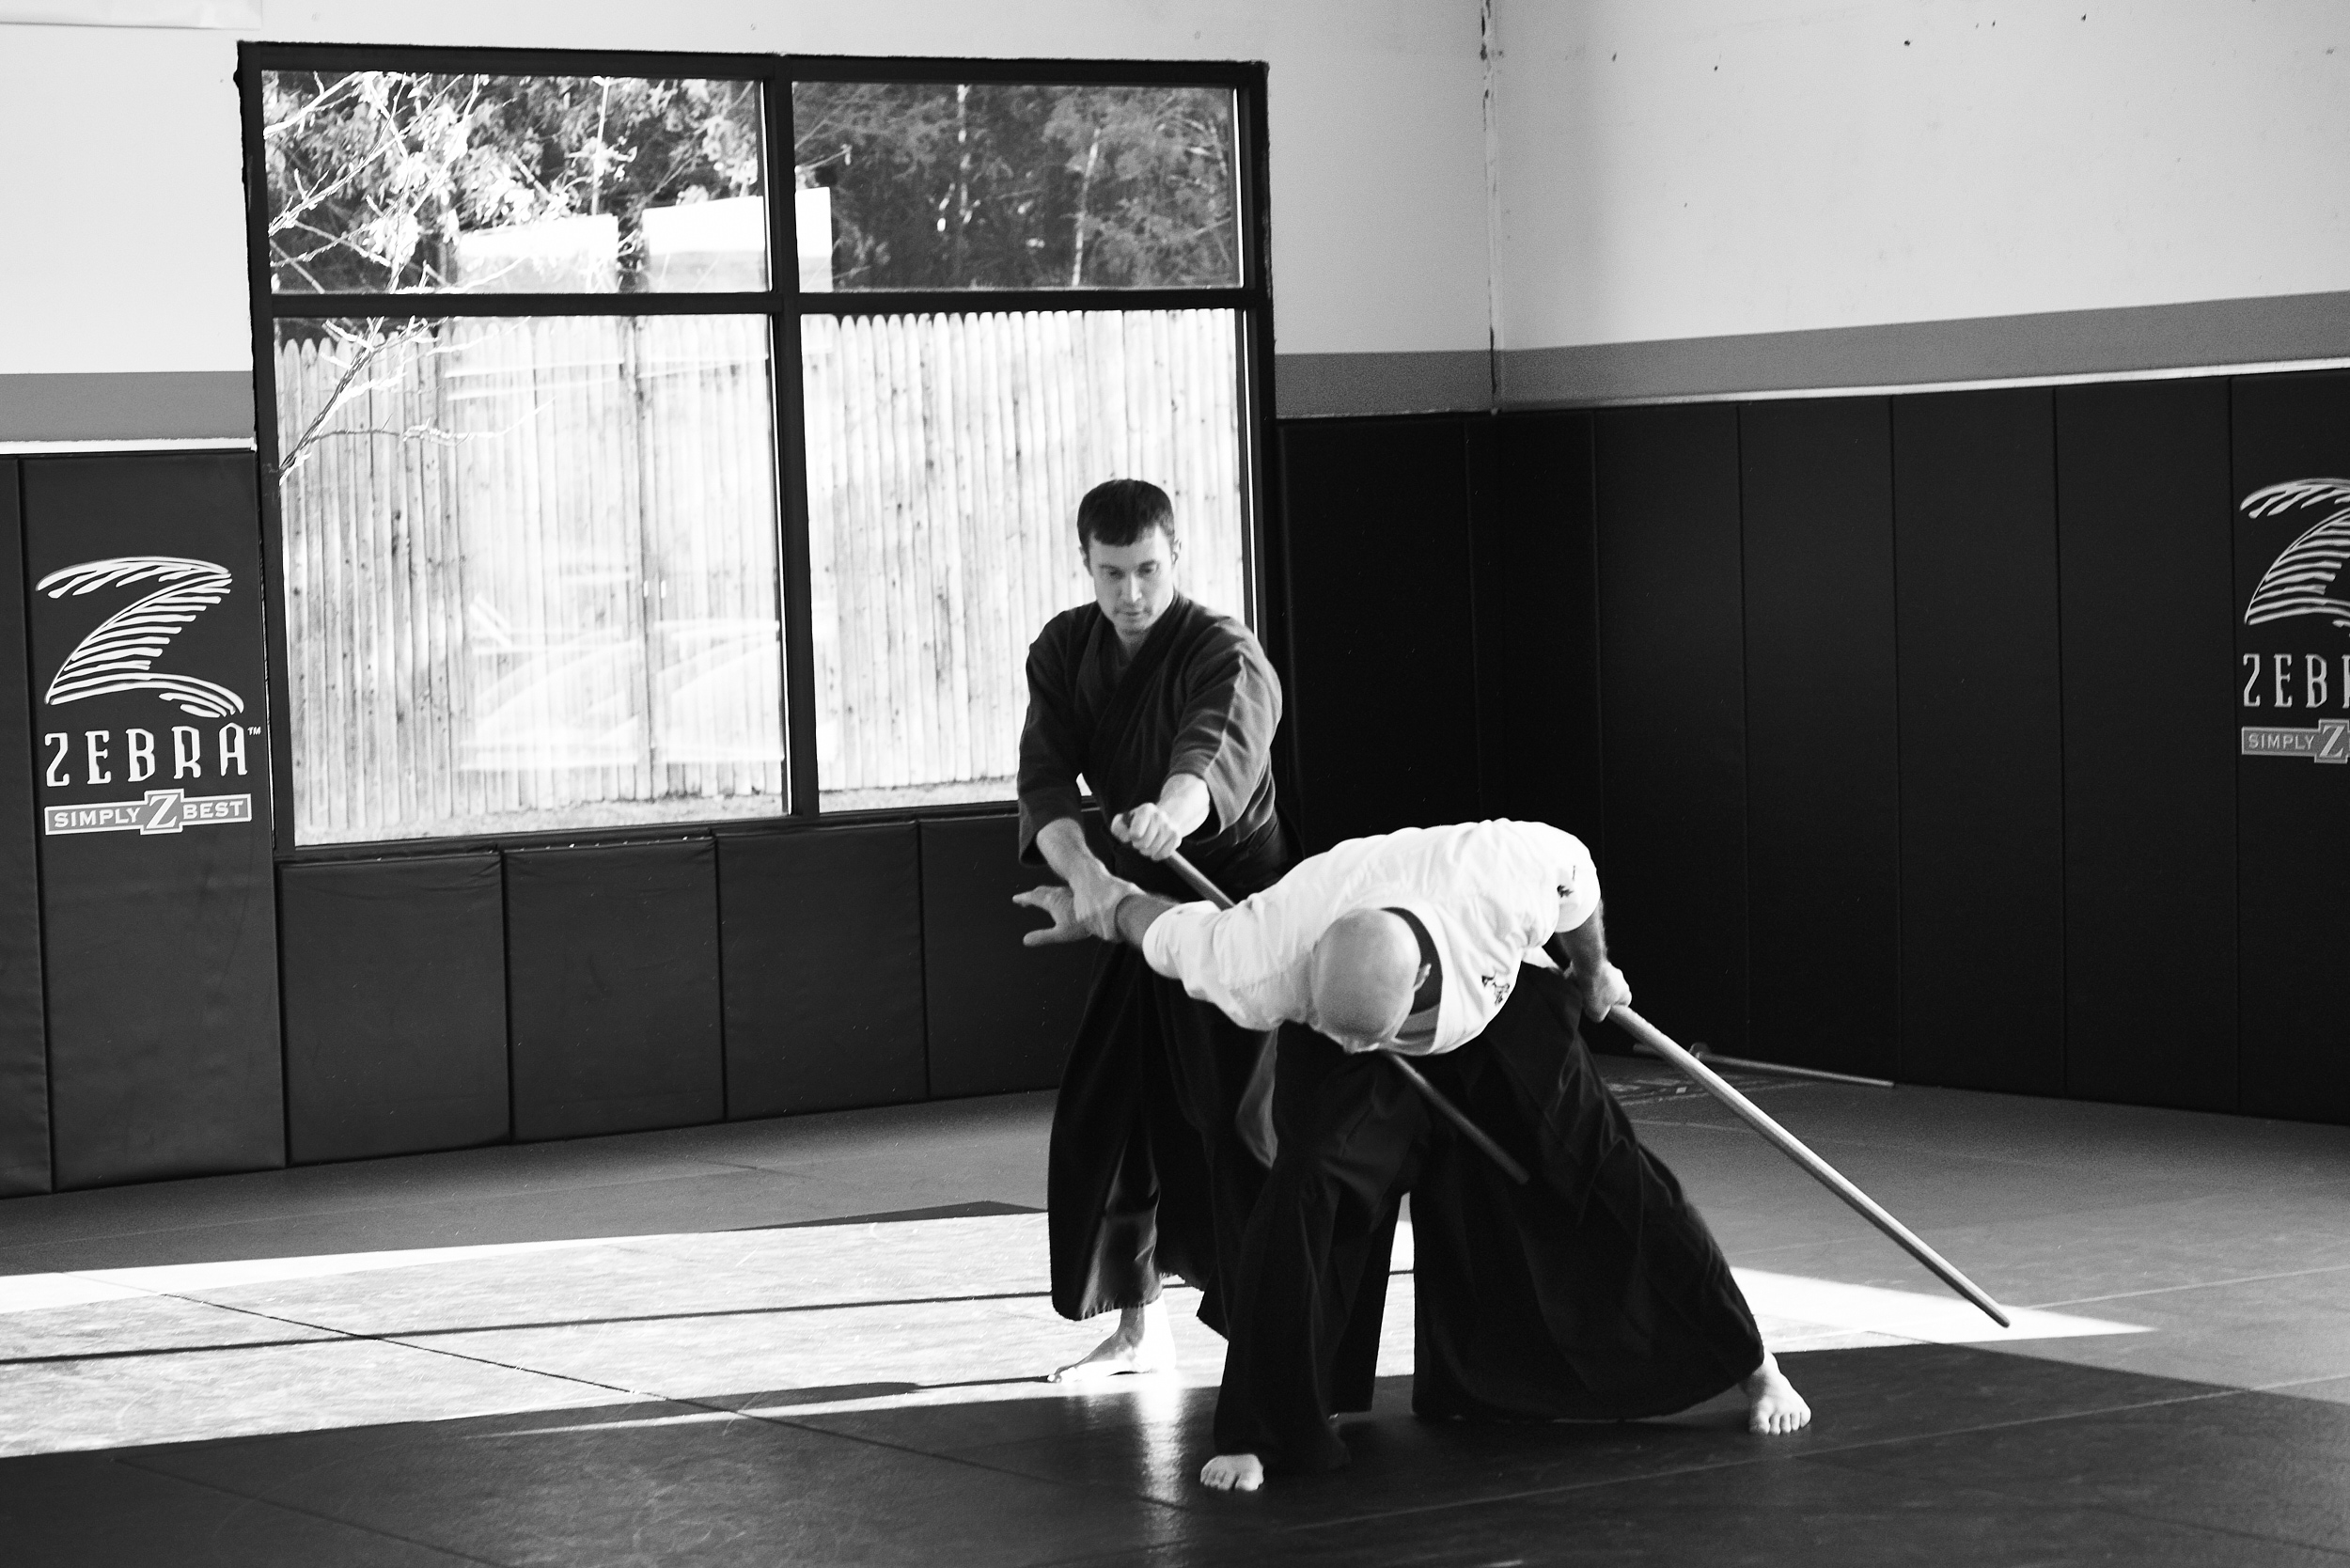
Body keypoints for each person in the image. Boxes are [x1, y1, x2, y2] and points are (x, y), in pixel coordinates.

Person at [1016, 819, 1810, 1490]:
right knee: (1304, 1188)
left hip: (1493, 1005)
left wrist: (1595, 970)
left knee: (1606, 1169)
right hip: (1343, 1028)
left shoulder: (1503, 874)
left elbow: (1578, 878)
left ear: (1422, 976)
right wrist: (1104, 903)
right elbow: (1161, 929)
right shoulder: (1265, 947)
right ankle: (1266, 1429)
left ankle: (1754, 1366)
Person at [1016, 478, 1293, 1380]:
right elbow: (1045, 782)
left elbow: (1207, 757)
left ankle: (1278, 1341)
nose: (1131, 594)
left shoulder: (1225, 650)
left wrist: (1173, 815)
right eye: (1112, 574)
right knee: (1110, 1108)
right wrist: (1089, 879)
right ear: (1086, 565)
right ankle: (1140, 1328)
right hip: (1137, 903)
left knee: (1234, 1123)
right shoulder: (1066, 648)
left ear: (1176, 556)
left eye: (1147, 570)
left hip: (1230, 906)